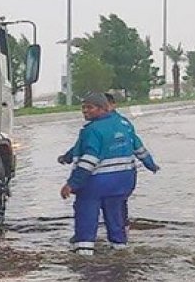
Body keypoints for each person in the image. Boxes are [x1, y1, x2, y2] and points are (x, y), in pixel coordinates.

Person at [60, 92, 159, 255]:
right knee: (116, 219)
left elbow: (89, 159)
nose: (85, 111)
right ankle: (120, 250)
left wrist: (72, 184)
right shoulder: (124, 124)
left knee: (86, 217)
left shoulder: (91, 130)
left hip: (95, 185)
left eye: (89, 108)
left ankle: (83, 257)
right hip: (123, 183)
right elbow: (139, 148)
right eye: (83, 108)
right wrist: (151, 165)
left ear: (104, 108)